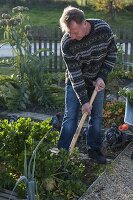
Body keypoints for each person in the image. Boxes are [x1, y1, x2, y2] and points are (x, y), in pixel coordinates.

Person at [57, 6, 117, 164]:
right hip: (76, 82)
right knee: (70, 117)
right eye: (69, 32)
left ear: (84, 23)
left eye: (75, 32)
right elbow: (75, 75)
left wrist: (102, 77)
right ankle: (63, 153)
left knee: (96, 117)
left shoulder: (103, 30)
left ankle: (94, 150)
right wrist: (84, 100)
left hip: (97, 80)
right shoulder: (67, 43)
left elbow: (112, 53)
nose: (72, 36)